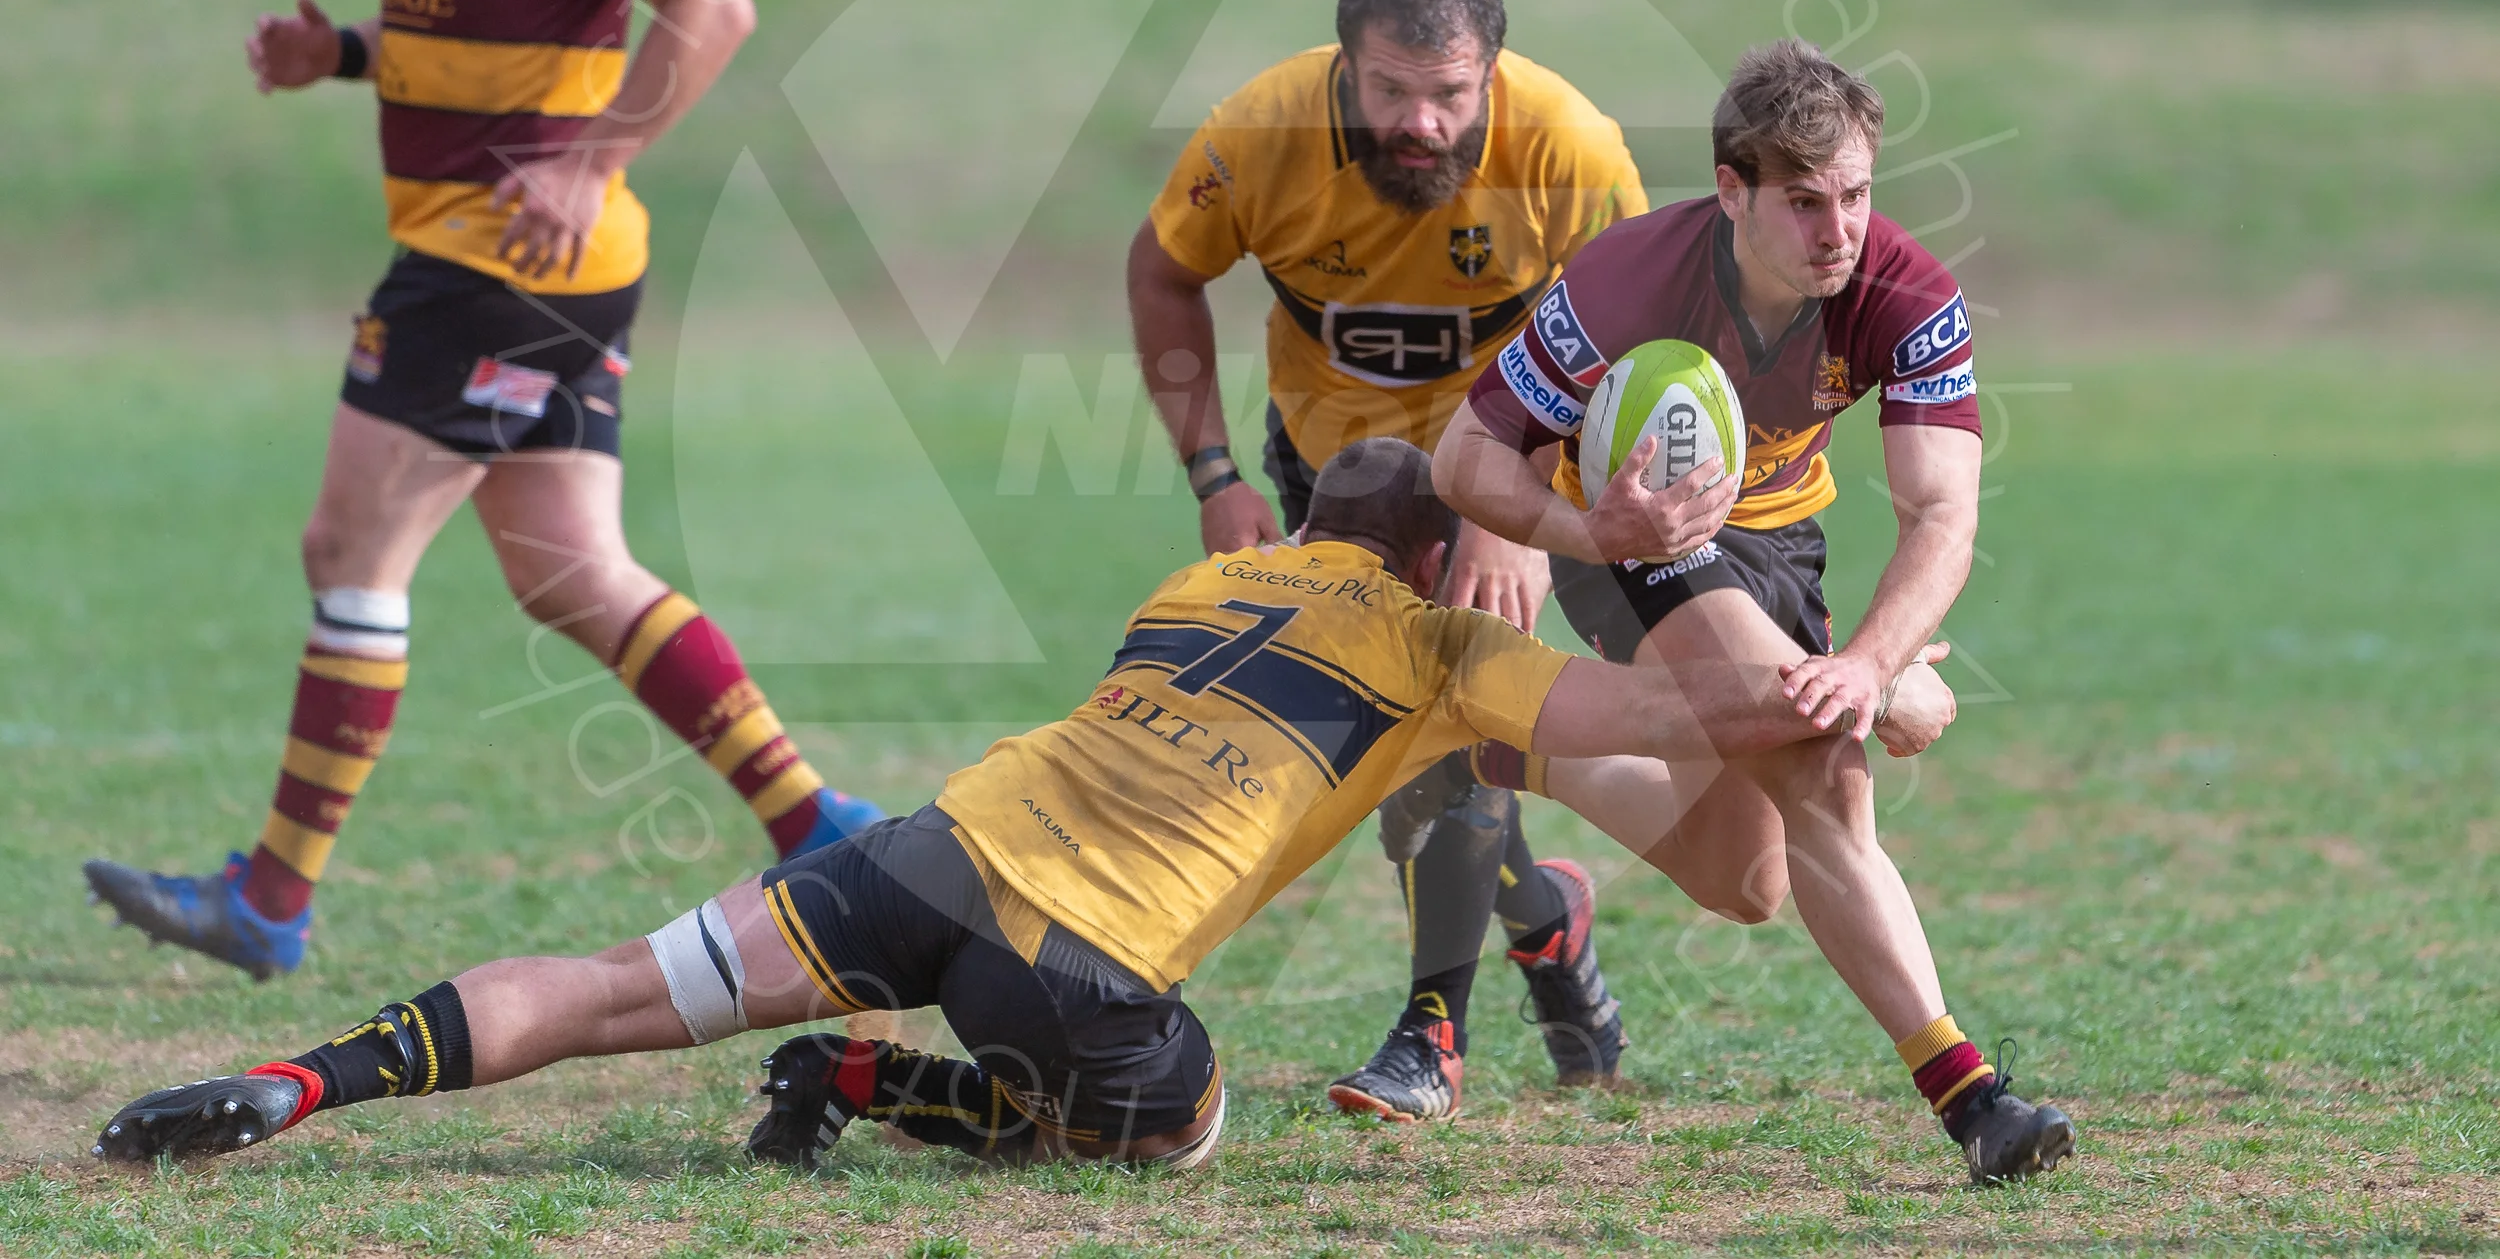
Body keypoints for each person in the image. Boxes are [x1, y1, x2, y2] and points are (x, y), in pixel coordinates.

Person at [94, 438, 1979, 1178]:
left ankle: (299, 1084)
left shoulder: (1191, 590)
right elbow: (1677, 705)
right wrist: (1876, 677)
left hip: (920, 849)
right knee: (1189, 1126)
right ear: (1432, 556)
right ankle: (879, 1087)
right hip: (1074, 967)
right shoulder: (1439, 651)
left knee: (603, 983)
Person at [80, 0, 878, 983]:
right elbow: (476, 40)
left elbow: (714, 1)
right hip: (532, 268)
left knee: (350, 550)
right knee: (575, 571)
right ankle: (820, 824)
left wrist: (596, 156)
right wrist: (334, 51)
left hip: (489, 268)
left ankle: (269, 895)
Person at [1427, 38, 2074, 1183]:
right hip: (1631, 539)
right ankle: (1973, 1097)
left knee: (1748, 878)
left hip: (1780, 545)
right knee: (1820, 759)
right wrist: (1593, 531)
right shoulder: (1626, 281)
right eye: (1807, 201)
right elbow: (1465, 456)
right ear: (1733, 190)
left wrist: (1874, 663)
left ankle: (1506, 746)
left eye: (1858, 195)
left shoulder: (1904, 290)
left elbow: (1940, 516)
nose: (1840, 229)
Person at [1128, 0, 1648, 1117]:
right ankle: (1531, 924)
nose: (1420, 121)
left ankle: (1435, 1030)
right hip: (1341, 488)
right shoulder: (1258, 136)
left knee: (1469, 731)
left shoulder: (1571, 148)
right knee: (1390, 754)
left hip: (1524, 472)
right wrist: (1214, 471)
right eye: (1390, 89)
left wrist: (1515, 505)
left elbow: (1638, 332)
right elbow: (1161, 272)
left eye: (1449, 94)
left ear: (1493, 76)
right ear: (1343, 68)